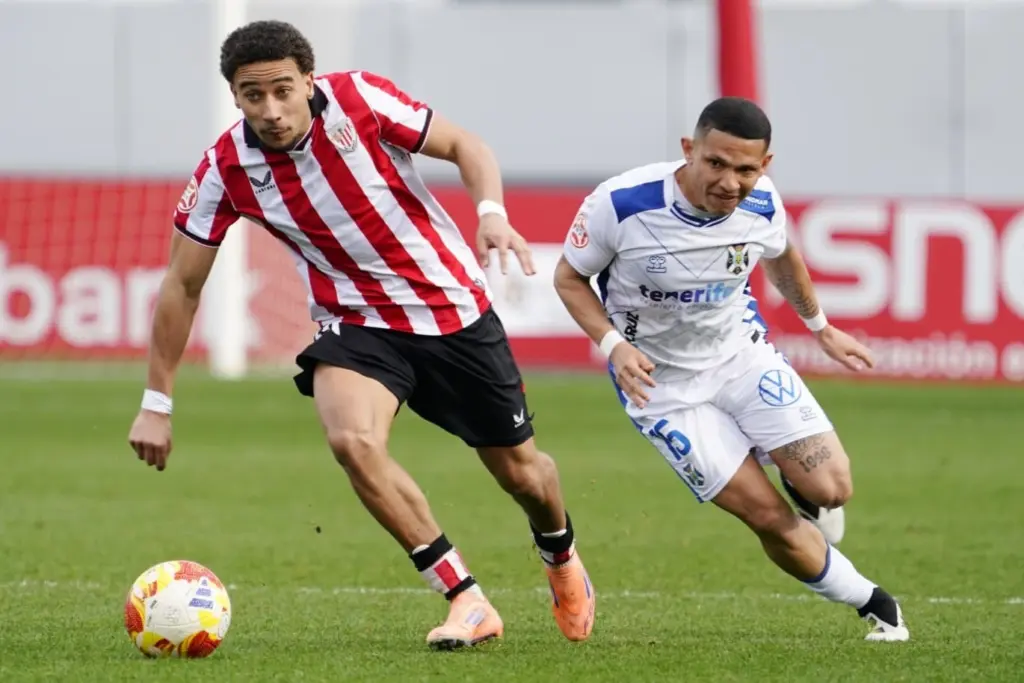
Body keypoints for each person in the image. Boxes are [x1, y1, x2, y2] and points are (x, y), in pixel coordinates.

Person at [127, 19, 595, 650]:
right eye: (252, 95)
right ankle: (466, 598)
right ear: (234, 96)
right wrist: (157, 402)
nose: (271, 110)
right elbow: (182, 286)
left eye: (283, 91)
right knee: (352, 440)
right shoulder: (224, 169)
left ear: (308, 81)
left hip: (451, 311)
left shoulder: (360, 99)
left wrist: (491, 214)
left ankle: (560, 556)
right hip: (356, 323)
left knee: (524, 476)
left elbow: (467, 145)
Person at [552, 97, 908, 642]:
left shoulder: (762, 201)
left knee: (833, 488)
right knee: (766, 516)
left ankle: (798, 483)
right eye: (716, 163)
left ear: (765, 165)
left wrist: (820, 327)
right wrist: (613, 345)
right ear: (689, 151)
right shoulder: (621, 204)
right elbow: (568, 278)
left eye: (745, 169)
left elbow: (782, 255)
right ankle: (874, 603)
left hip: (741, 358)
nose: (729, 182)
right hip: (663, 390)